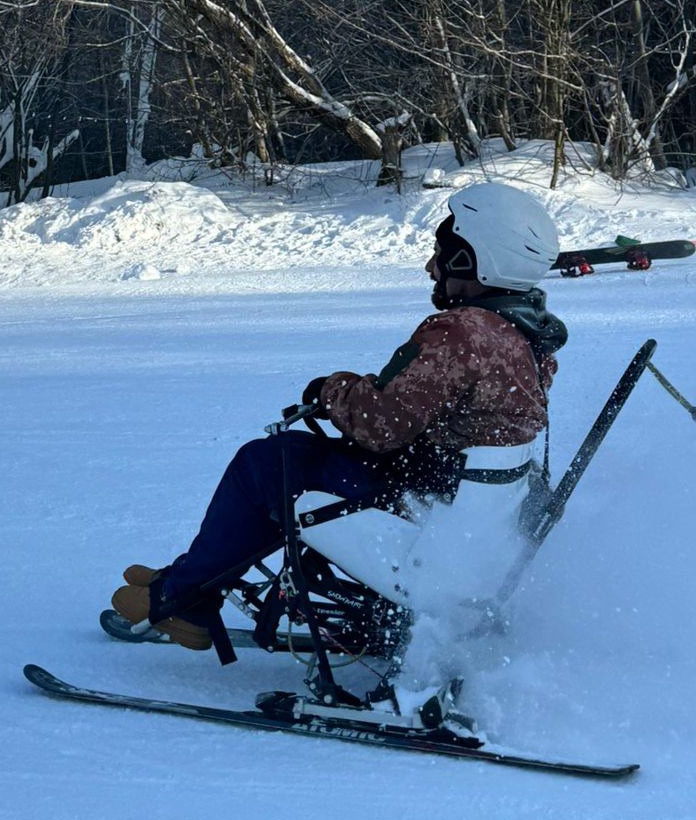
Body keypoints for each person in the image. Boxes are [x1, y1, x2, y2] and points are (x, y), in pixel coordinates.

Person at [111, 183, 569, 651]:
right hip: (457, 498)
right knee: (291, 461)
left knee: (266, 464)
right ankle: (198, 572)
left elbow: (382, 426)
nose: (432, 267)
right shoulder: (524, 336)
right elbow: (436, 401)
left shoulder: (462, 331)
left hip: (417, 500)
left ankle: (185, 599)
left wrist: (331, 389)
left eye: (444, 253)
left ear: (474, 261)